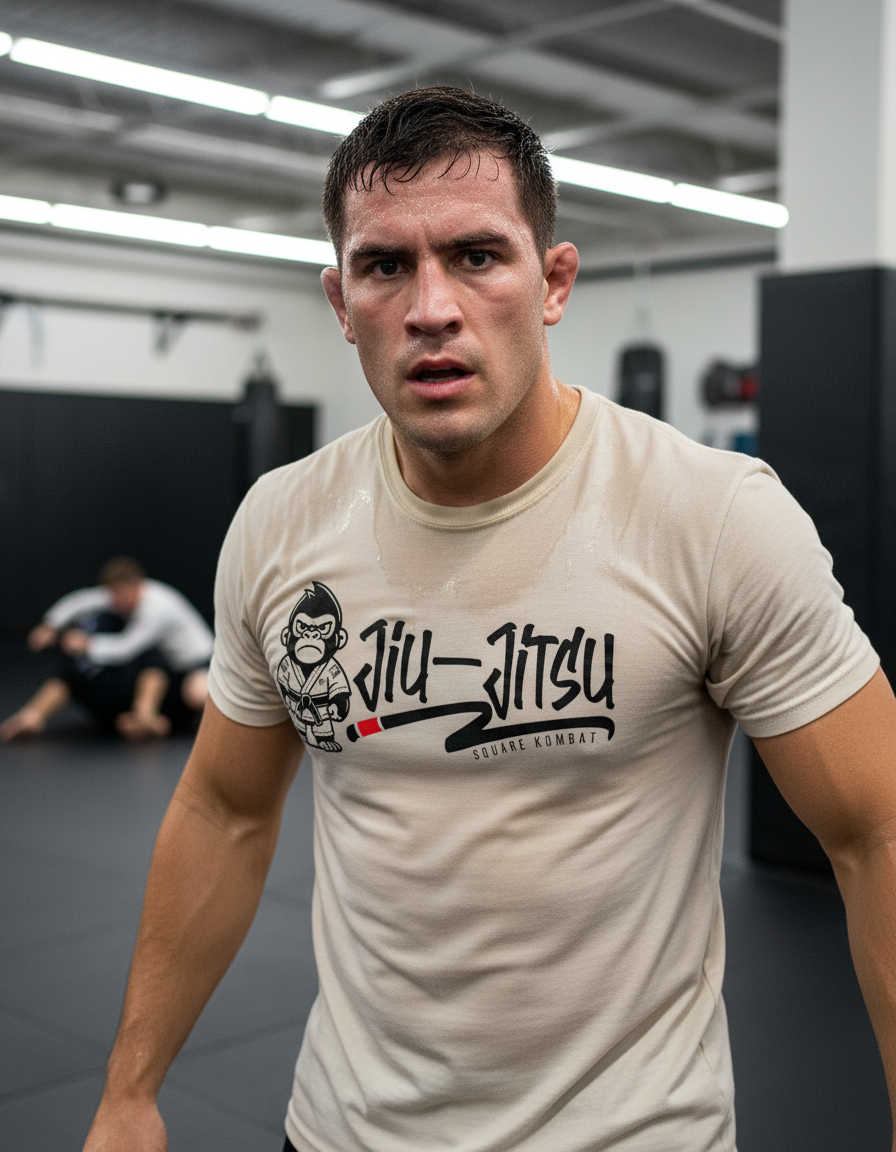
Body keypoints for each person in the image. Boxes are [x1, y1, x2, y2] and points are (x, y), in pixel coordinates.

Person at [83, 88, 896, 1152]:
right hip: (336, 1132)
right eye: (385, 266)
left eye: (476, 256)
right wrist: (129, 1091)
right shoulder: (282, 523)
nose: (431, 307)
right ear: (340, 302)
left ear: (552, 281)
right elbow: (224, 812)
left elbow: (876, 831)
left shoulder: (711, 516)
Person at [1, 557, 213, 741]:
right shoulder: (119, 595)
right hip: (171, 667)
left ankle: (209, 728)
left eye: (120, 595)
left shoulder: (157, 608)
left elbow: (127, 648)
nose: (115, 602)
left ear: (137, 586)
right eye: (112, 594)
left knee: (196, 693)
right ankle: (149, 720)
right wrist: (50, 625)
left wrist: (87, 644)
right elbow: (79, 601)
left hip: (199, 662)